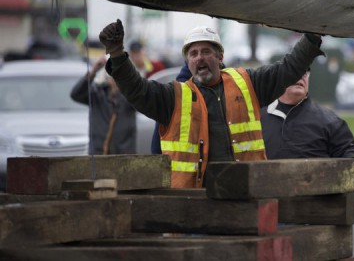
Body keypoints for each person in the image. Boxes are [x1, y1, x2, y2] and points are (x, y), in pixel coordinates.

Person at [99, 20, 324, 188]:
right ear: (188, 61)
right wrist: (117, 54)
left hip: (247, 196)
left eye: (206, 51)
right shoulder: (173, 97)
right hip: (194, 206)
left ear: (220, 56)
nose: (199, 58)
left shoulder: (248, 83)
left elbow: (288, 69)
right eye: (194, 54)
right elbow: (137, 89)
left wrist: (312, 37)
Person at [260, 70, 354, 177]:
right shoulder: (256, 118)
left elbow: (352, 159)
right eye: (295, 69)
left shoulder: (329, 120)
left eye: (305, 73)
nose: (301, 76)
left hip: (314, 192)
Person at [70, 55, 137, 155]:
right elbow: (75, 95)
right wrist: (93, 71)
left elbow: (144, 97)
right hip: (99, 154)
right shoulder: (97, 93)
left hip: (124, 155)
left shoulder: (129, 97)